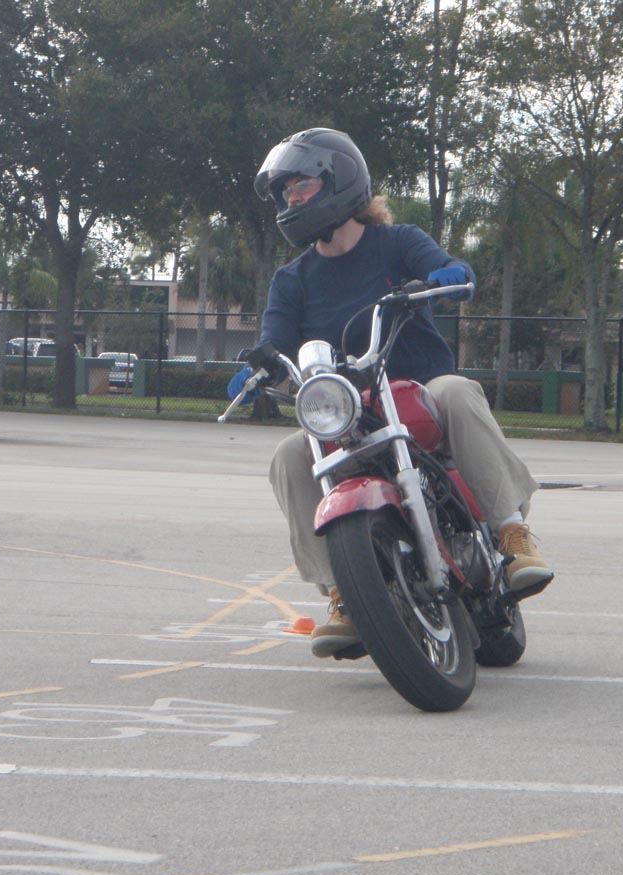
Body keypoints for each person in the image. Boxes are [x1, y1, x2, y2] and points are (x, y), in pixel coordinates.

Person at [234, 127, 553, 658]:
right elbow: (275, 340)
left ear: (339, 180)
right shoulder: (293, 279)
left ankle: (512, 535)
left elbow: (447, 269)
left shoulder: (397, 242)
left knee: (458, 390)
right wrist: (256, 369)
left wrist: (448, 274)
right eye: (285, 190)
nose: (292, 197)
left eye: (301, 185)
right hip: (350, 411)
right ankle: (342, 592)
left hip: (420, 390)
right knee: (289, 454)